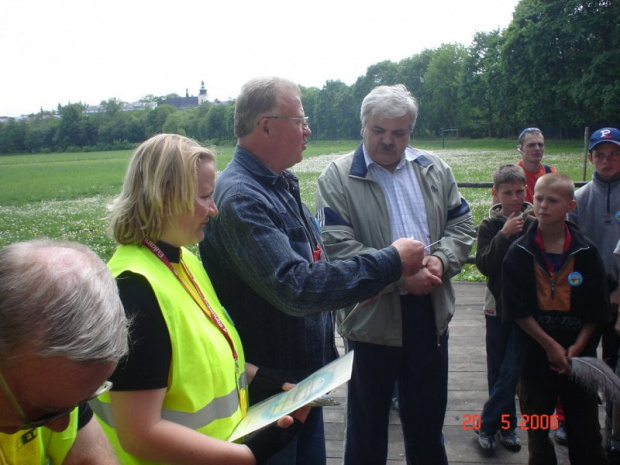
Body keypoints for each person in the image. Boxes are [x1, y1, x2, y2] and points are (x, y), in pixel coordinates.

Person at [200, 77, 425, 465]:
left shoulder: (275, 184)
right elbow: (295, 288)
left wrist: (356, 282)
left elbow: (312, 265)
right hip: (271, 391)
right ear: (267, 125)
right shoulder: (242, 198)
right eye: (300, 120)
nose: (308, 130)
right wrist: (390, 261)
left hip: (299, 383)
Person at [92, 133, 308, 465]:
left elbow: (192, 361)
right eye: (205, 197)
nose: (215, 209)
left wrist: (257, 376)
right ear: (165, 198)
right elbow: (139, 434)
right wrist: (247, 456)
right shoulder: (134, 289)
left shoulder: (182, 259)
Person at [316, 84, 476, 465]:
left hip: (430, 312)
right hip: (371, 320)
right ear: (362, 127)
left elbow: (463, 226)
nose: (388, 140)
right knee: (367, 429)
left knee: (427, 423)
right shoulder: (337, 177)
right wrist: (403, 278)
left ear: (410, 131)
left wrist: (439, 261)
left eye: (398, 132)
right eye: (378, 130)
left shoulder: (434, 169)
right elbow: (340, 248)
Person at [502, 173, 610, 464]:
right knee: (538, 433)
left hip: (579, 360)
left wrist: (578, 346)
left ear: (570, 207)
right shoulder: (520, 252)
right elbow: (517, 309)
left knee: (585, 431)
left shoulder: (586, 252)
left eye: (553, 200)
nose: (543, 206)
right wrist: (549, 345)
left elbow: (596, 309)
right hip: (534, 357)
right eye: (538, 198)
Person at [0, 239, 129, 464]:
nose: (62, 426)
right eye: (42, 412)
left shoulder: (51, 385)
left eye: (81, 402)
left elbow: (90, 457)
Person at [474, 164, 535, 454]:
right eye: (507, 192)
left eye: (519, 191)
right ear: (495, 194)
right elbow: (485, 264)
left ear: (527, 190)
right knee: (497, 369)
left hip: (525, 310)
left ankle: (487, 425)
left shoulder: (536, 223)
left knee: (512, 370)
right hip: (496, 306)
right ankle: (506, 426)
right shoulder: (489, 226)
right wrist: (504, 235)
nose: (514, 198)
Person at [568, 127, 620, 456]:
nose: (607, 160)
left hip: (618, 295)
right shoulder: (579, 197)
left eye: (614, 153)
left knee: (614, 364)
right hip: (586, 293)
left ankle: (613, 429)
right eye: (599, 154)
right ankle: (575, 422)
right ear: (590, 158)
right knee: (582, 359)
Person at [516, 127, 557, 203]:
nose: (537, 148)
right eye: (531, 145)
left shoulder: (550, 173)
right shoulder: (510, 174)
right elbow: (496, 209)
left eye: (540, 145)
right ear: (520, 149)